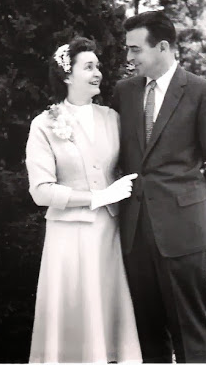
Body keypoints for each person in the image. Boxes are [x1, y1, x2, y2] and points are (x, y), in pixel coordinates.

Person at [113, 11, 206, 363]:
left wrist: (191, 204)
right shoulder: (124, 92)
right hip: (135, 230)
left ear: (163, 46)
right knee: (147, 331)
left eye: (135, 49)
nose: (128, 58)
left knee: (190, 331)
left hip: (183, 230)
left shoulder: (203, 92)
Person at [25, 37, 142, 363]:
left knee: (107, 318)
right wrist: (97, 196)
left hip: (108, 235)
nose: (98, 73)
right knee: (73, 318)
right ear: (66, 75)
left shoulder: (112, 118)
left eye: (98, 66)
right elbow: (41, 191)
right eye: (88, 67)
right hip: (68, 238)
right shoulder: (44, 124)